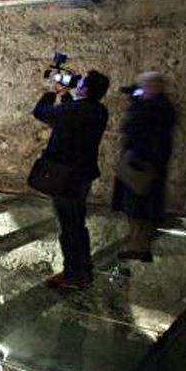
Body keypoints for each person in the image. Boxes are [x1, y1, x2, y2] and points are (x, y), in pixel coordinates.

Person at [33, 70, 110, 290]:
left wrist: (52, 91)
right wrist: (68, 95)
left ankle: (74, 275)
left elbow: (41, 112)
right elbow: (68, 119)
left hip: (67, 177)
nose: (76, 83)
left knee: (69, 227)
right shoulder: (98, 110)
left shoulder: (77, 110)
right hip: (82, 175)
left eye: (80, 82)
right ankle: (82, 269)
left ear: (85, 89)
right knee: (77, 224)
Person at [113, 72, 176, 262]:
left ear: (152, 87)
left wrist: (136, 155)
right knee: (139, 207)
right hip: (144, 164)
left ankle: (139, 247)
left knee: (139, 208)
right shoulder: (156, 105)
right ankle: (140, 245)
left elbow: (135, 127)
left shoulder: (156, 107)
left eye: (143, 86)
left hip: (142, 166)